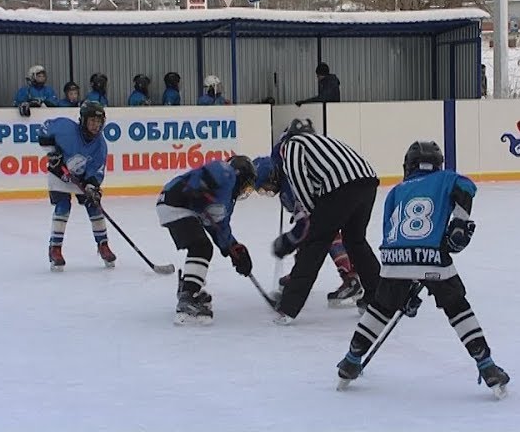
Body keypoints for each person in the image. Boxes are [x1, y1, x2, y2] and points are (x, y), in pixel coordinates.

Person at [335, 141, 510, 398]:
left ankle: (351, 361)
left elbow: (390, 231)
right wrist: (459, 224)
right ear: (437, 164)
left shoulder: (395, 191)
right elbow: (466, 186)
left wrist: (402, 283)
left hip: (395, 260)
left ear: (408, 166)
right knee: (457, 308)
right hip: (432, 256)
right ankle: (487, 366)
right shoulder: (446, 178)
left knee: (380, 310)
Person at [270, 118, 381, 325]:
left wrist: (313, 214)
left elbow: (299, 179)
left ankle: (288, 308)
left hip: (340, 187)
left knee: (314, 244)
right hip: (368, 182)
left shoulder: (291, 145)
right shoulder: (321, 141)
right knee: (356, 241)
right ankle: (378, 299)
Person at [253, 148, 364, 308]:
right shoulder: (283, 170)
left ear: (274, 176)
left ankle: (351, 278)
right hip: (339, 193)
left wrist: (288, 241)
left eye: (267, 186)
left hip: (337, 196)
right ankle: (302, 274)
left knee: (327, 233)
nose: (269, 190)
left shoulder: (291, 186)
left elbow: (305, 225)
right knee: (314, 233)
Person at [155, 155, 257, 325]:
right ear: (240, 175)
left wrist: (234, 249)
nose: (244, 190)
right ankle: (188, 296)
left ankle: (188, 287)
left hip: (179, 208)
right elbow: (210, 171)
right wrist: (199, 185)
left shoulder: (227, 202)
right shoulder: (226, 172)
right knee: (201, 247)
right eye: (246, 184)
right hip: (175, 202)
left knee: (201, 246)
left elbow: (220, 229)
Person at [37, 101, 117, 271]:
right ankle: (55, 249)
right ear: (83, 120)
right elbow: (44, 130)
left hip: (80, 178)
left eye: (99, 122)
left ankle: (103, 245)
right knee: (63, 205)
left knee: (95, 206)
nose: (96, 126)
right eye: (92, 121)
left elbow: (96, 171)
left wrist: (91, 186)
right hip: (59, 175)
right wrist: (52, 151)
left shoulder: (100, 145)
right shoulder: (65, 128)